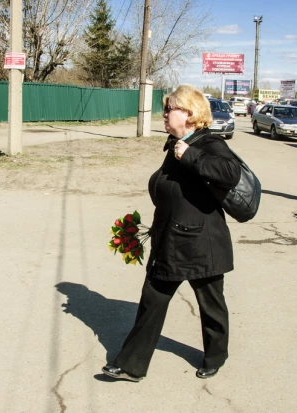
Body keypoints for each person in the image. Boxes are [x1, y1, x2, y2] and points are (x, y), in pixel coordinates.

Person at [102, 85, 241, 382]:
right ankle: (131, 365)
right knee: (152, 300)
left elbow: (230, 172)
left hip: (202, 243)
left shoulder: (207, 142)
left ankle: (216, 356)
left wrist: (190, 155)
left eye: (169, 109)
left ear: (189, 114)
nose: (164, 114)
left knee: (211, 305)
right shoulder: (175, 142)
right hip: (170, 240)